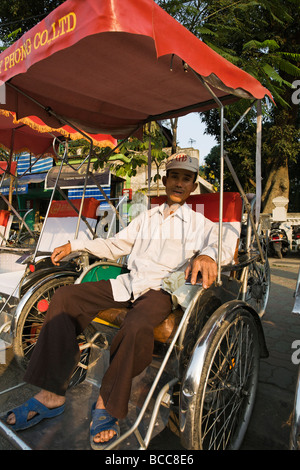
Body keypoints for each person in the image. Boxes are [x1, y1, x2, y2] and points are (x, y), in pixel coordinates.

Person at [6, 152, 235, 449]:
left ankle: (107, 403)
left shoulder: (200, 224)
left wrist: (209, 254)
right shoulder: (147, 217)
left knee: (136, 325)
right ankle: (51, 394)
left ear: (193, 186)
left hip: (162, 290)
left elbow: (227, 240)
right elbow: (114, 245)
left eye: (187, 179)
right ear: (165, 181)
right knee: (65, 297)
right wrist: (75, 244)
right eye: (175, 177)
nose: (180, 183)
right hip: (128, 283)